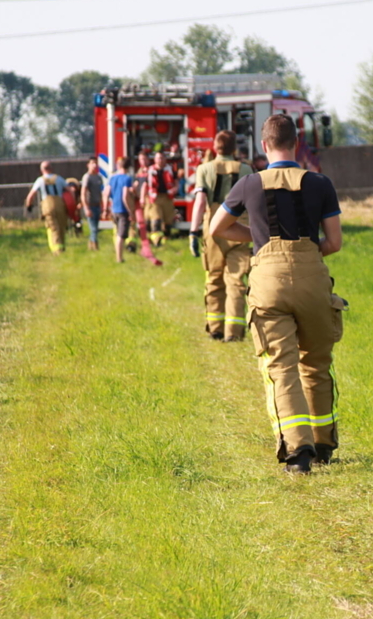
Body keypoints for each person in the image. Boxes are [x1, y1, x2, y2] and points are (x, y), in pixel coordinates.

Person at [209, 114, 345, 475]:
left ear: (263, 146)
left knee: (281, 367)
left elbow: (216, 228)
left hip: (268, 279)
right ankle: (324, 445)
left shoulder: (249, 184)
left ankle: (298, 453)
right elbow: (334, 242)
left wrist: (256, 239)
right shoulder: (320, 183)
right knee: (316, 363)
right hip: (313, 279)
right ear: (296, 144)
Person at [189, 130, 255, 342]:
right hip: (240, 229)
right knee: (236, 281)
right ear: (234, 148)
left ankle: (215, 328)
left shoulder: (203, 169)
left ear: (215, 147)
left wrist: (193, 230)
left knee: (214, 279)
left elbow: (200, 202)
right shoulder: (246, 169)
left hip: (213, 230)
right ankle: (234, 332)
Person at [24, 161, 68, 253]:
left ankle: (57, 249)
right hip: (60, 205)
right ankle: (62, 247)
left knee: (53, 227)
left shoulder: (40, 180)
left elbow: (31, 195)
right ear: (51, 168)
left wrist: (29, 206)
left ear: (41, 170)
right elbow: (70, 190)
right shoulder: (59, 179)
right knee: (61, 225)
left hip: (48, 207)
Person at [144, 151, 177, 247]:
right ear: (155, 159)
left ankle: (166, 238)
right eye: (158, 158)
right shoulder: (150, 170)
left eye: (162, 158)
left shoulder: (170, 169)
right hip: (155, 198)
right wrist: (143, 197)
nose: (160, 160)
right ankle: (156, 241)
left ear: (165, 159)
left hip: (167, 197)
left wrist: (176, 188)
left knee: (168, 220)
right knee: (156, 219)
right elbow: (146, 184)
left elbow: (176, 181)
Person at [107, 156, 134, 264]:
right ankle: (119, 258)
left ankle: (119, 256)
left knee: (118, 233)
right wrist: (130, 211)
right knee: (121, 235)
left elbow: (106, 193)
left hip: (114, 208)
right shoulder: (127, 179)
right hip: (123, 210)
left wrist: (106, 208)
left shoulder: (112, 178)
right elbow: (125, 196)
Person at [80, 157, 104, 251]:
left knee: (95, 228)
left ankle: (90, 244)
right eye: (92, 163)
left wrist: (102, 206)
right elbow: (83, 193)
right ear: (88, 165)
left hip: (97, 205)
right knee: (93, 228)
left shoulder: (99, 177)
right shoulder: (87, 177)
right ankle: (95, 247)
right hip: (90, 206)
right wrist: (86, 208)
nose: (94, 165)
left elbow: (100, 193)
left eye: (96, 163)